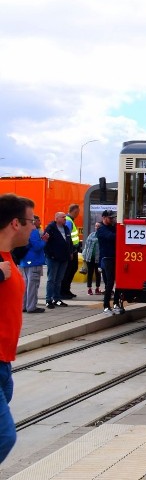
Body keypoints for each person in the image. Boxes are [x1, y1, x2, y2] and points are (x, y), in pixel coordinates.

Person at [0, 193, 37, 463]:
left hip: (5, 362)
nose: (35, 226)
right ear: (16, 223)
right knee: (5, 437)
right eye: (31, 220)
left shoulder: (9, 256)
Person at [44, 211, 72, 309]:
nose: (65, 219)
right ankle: (48, 300)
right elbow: (45, 242)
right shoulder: (50, 228)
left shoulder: (66, 228)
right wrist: (50, 255)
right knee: (52, 279)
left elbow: (69, 242)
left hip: (64, 258)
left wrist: (70, 253)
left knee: (59, 279)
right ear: (56, 218)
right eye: (63, 217)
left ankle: (57, 299)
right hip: (53, 258)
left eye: (65, 217)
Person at [20, 215, 48, 313]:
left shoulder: (21, 229)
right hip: (34, 260)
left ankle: (24, 306)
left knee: (25, 284)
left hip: (24, 260)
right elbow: (37, 246)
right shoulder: (33, 231)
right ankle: (31, 307)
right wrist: (44, 241)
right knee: (33, 285)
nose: (39, 222)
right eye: (38, 220)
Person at [97, 210, 120, 314]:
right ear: (104, 218)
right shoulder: (101, 229)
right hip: (107, 258)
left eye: (113, 218)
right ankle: (106, 306)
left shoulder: (112, 227)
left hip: (115, 257)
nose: (112, 220)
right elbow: (113, 237)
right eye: (110, 218)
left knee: (118, 281)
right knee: (110, 282)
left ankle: (116, 303)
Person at [60, 203, 81, 299]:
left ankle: (66, 290)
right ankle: (64, 291)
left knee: (72, 269)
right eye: (78, 211)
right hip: (71, 250)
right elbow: (67, 237)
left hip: (73, 249)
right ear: (75, 211)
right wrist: (71, 251)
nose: (79, 213)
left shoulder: (70, 220)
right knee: (69, 270)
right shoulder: (68, 221)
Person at [82, 222, 102, 295]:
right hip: (89, 257)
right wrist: (84, 255)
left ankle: (97, 288)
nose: (97, 227)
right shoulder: (91, 235)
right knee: (90, 273)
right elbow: (86, 245)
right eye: (96, 226)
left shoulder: (102, 236)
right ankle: (89, 289)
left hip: (98, 258)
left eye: (98, 226)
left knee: (98, 273)